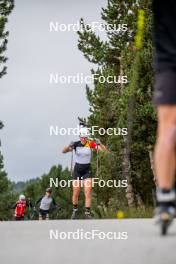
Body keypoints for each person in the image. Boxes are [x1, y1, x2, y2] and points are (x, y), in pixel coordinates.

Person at [153, 0, 176, 228]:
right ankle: (165, 196)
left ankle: (165, 198)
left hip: (167, 63)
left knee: (169, 130)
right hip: (169, 63)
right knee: (168, 130)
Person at [62, 127, 107, 219]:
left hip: (87, 169)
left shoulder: (90, 144)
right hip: (77, 170)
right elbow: (64, 151)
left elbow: (104, 151)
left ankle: (87, 213)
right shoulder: (76, 144)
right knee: (76, 191)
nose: (83, 139)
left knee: (88, 191)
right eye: (82, 137)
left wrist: (100, 144)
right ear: (79, 137)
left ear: (87, 137)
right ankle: (74, 211)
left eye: (85, 137)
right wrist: (68, 146)